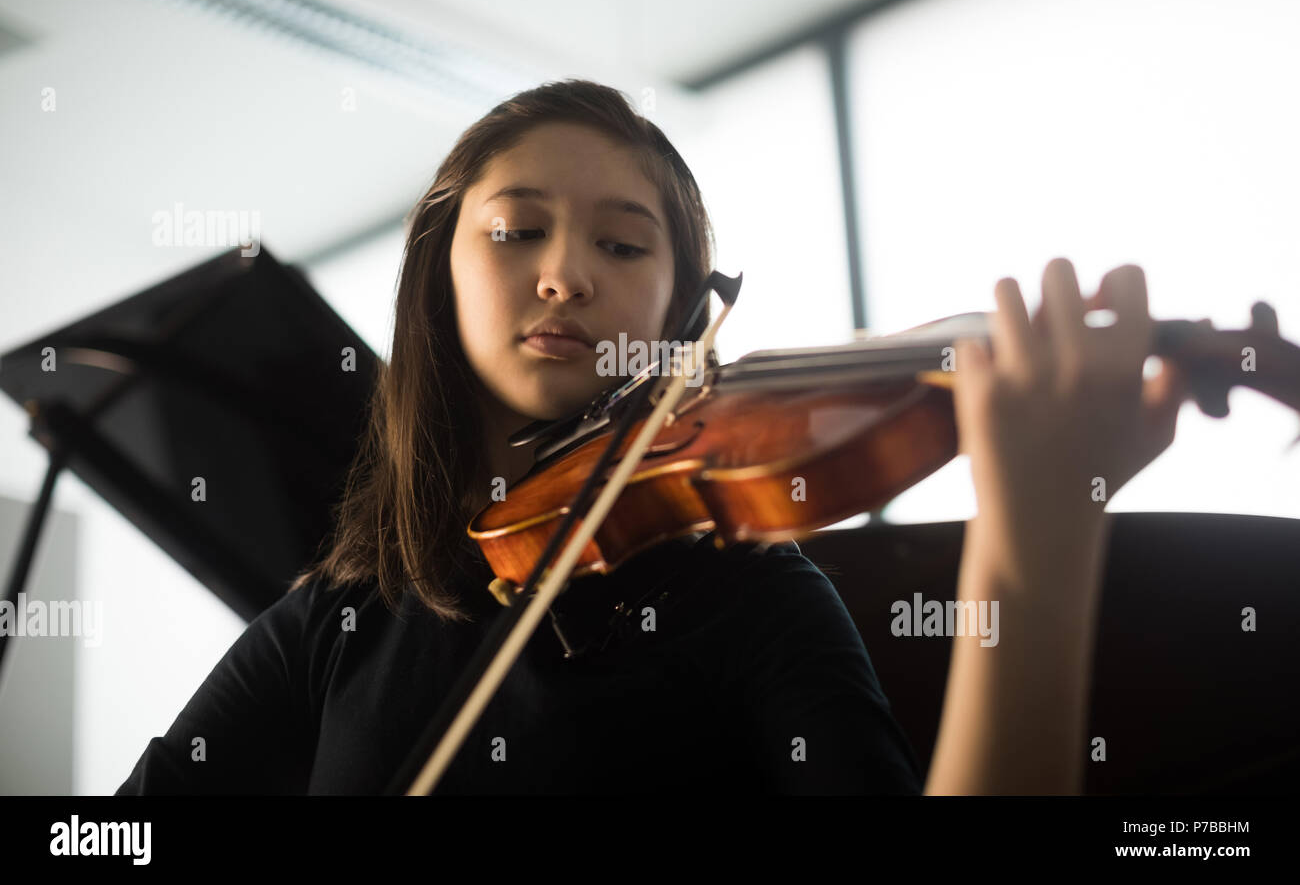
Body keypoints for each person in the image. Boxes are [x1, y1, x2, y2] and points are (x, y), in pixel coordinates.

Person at [116, 79, 1190, 795]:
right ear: (438, 271)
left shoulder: (750, 598)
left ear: (683, 310)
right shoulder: (340, 614)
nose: (565, 274)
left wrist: (1037, 541)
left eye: (623, 244)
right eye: (517, 228)